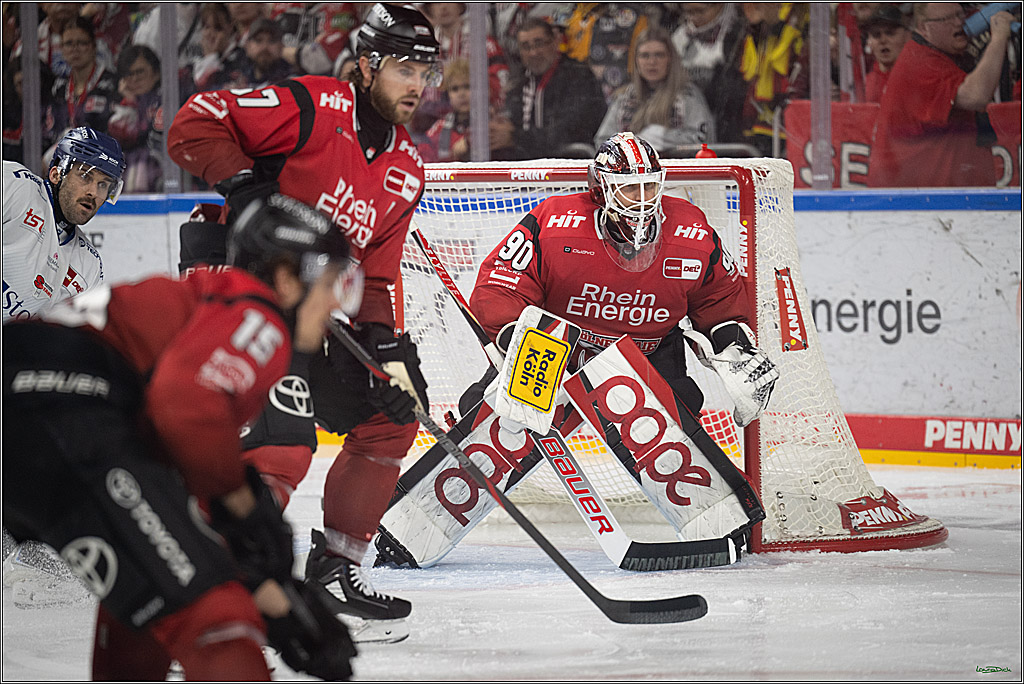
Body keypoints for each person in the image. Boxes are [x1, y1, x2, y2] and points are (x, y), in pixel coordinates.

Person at [3, 194, 359, 681]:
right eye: (331, 281)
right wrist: (245, 509)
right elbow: (187, 408)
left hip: (32, 401)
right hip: (58, 404)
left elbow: (173, 475)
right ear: (284, 278)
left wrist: (272, 588)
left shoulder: (205, 303)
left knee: (153, 587)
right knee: (214, 613)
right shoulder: (258, 311)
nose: (337, 303)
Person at [168, 2, 439, 638]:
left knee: (394, 418)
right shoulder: (315, 105)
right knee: (281, 442)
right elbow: (191, 122)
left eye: (425, 72)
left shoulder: (406, 169)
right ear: (366, 64)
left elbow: (375, 280)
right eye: (404, 68)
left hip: (313, 314)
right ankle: (213, 592)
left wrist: (387, 351)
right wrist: (244, 186)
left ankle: (335, 573)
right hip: (239, 290)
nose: (418, 85)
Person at [869, 2, 1016, 187]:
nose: (959, 22)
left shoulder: (944, 56)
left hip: (945, 194)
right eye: (947, 19)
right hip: (917, 198)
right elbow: (976, 96)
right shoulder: (918, 62)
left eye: (960, 15)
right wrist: (999, 37)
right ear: (924, 28)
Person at [3, 126, 125, 322]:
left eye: (103, 185)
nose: (93, 192)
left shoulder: (88, 265)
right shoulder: (14, 184)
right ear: (56, 174)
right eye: (85, 176)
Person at [491, 17, 608, 160]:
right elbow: (511, 125)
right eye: (526, 47)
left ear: (555, 42)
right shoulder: (518, 83)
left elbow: (571, 130)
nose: (533, 53)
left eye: (539, 43)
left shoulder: (579, 76)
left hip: (569, 162)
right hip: (527, 164)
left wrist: (516, 137)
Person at [594, 27, 716, 154]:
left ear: (670, 59)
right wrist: (631, 145)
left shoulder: (688, 95)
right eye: (645, 56)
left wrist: (663, 138)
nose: (652, 62)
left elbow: (704, 139)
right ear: (636, 61)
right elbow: (601, 141)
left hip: (676, 165)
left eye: (659, 55)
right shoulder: (623, 98)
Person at [671, 3, 748, 144]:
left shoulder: (737, 35)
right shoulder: (679, 37)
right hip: (688, 120)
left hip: (726, 120)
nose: (694, 18)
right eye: (689, 12)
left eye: (700, 11)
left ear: (719, 6)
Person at [43, 16, 119, 152]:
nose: (75, 49)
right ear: (62, 49)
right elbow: (51, 130)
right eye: (69, 43)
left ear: (94, 46)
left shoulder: (112, 84)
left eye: (82, 43)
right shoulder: (59, 87)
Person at [108, 44, 164, 193]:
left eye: (140, 72)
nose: (134, 78)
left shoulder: (166, 97)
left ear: (156, 73)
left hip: (160, 169)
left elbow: (145, 137)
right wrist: (129, 104)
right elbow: (119, 139)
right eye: (129, 74)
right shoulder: (117, 101)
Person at [862, 5, 910, 103]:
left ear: (907, 36)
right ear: (869, 41)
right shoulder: (864, 85)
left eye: (890, 33)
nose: (883, 40)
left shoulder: (919, 80)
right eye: (876, 35)